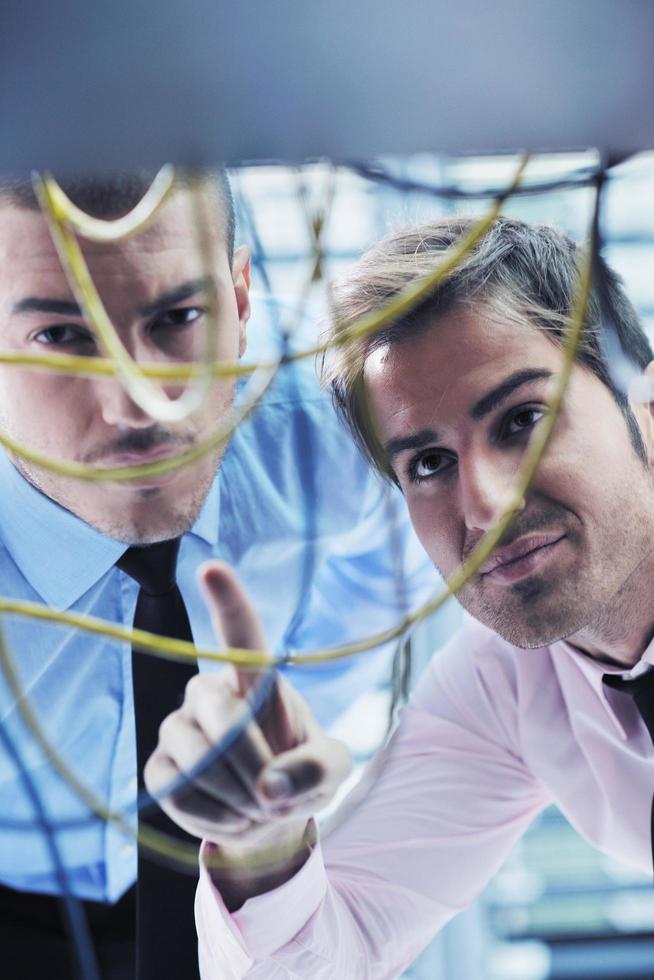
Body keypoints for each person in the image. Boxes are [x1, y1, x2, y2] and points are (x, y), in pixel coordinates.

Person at [144, 216, 654, 978]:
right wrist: (264, 843)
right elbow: (315, 962)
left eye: (523, 420)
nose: (483, 505)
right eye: (428, 464)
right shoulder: (502, 687)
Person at [0, 171, 436, 978]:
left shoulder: (335, 418)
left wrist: (279, 729)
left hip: (241, 897)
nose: (137, 406)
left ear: (240, 302)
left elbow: (388, 573)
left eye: (176, 319)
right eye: (63, 336)